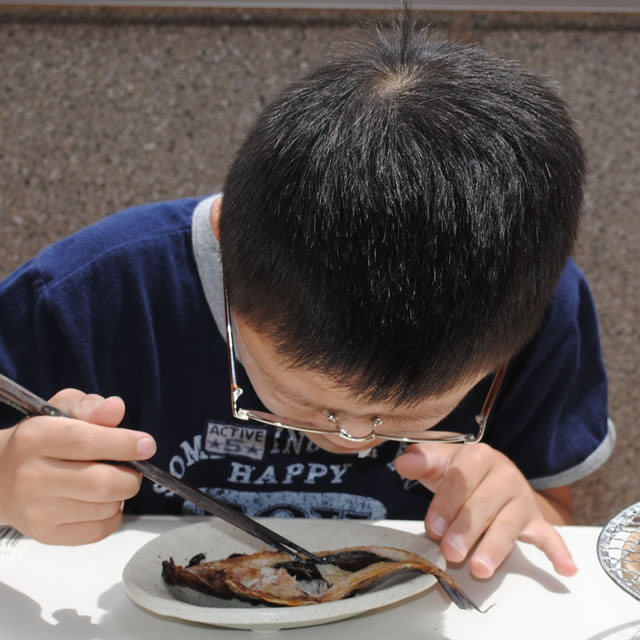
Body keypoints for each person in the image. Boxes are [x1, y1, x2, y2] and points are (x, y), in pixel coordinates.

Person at [0, 13, 613, 581]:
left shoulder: (532, 305)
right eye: (302, 403)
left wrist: (515, 504)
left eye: (407, 421)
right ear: (229, 281)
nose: (351, 440)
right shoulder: (83, 297)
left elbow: (553, 512)